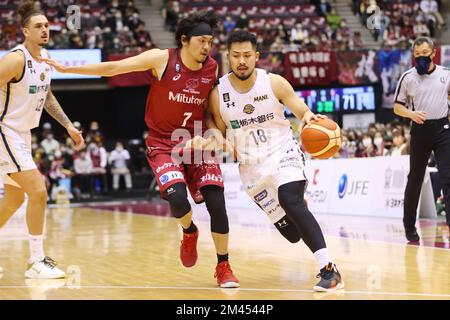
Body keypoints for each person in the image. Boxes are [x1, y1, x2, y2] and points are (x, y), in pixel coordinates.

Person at [41, 10, 239, 288]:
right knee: (179, 201)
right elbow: (115, 68)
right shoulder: (161, 59)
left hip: (196, 141)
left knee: (218, 205)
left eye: (210, 41)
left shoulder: (212, 67)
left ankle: (223, 265)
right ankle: (189, 230)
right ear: (185, 40)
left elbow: (209, 113)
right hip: (163, 144)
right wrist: (67, 68)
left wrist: (219, 136)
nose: (207, 47)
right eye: (201, 41)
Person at [190, 30, 344, 291]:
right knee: (292, 234)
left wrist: (307, 117)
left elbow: (301, 109)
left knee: (289, 199)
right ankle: (297, 208)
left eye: (247, 55)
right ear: (228, 57)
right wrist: (211, 140)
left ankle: (329, 269)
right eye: (236, 55)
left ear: (257, 57)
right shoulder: (218, 94)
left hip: (283, 153)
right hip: (252, 170)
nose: (242, 61)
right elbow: (217, 130)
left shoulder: (274, 83)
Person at [0, 1, 84, 278]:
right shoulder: (16, 58)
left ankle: (36, 260)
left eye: (47, 25)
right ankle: (36, 261)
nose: (45, 29)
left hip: (22, 133)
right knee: (38, 191)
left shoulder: (45, 59)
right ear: (25, 31)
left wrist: (69, 126)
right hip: (5, 130)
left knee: (12, 200)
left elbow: (47, 97)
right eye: (38, 26)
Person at [393, 37, 450, 242]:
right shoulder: (407, 77)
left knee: (447, 176)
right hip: (420, 130)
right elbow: (397, 106)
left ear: (433, 53)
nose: (421, 57)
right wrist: (411, 115)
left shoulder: (446, 74)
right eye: (417, 54)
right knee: (415, 178)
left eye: (425, 53)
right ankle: (409, 227)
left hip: (443, 129)